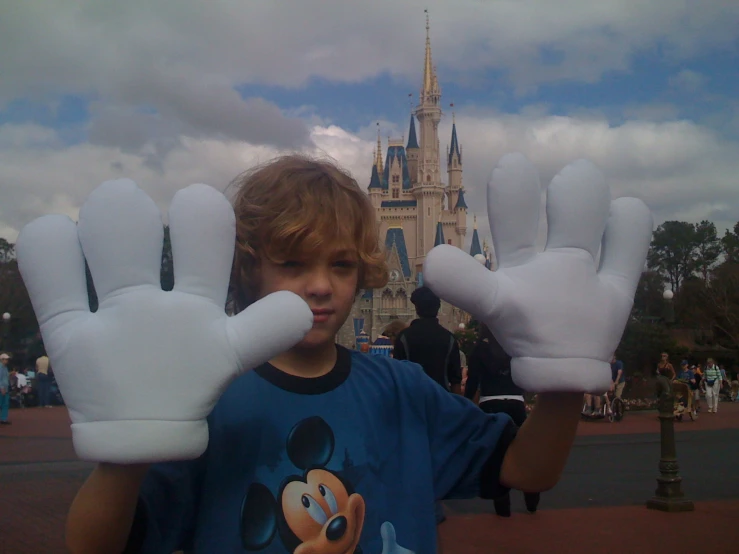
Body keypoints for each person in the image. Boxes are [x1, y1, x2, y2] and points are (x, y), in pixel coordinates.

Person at [15, 153, 651, 553]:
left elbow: (527, 471)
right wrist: (126, 446)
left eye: (342, 265)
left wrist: (567, 375)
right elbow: (95, 543)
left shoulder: (400, 391)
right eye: (292, 263)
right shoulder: (205, 401)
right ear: (246, 269)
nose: (321, 286)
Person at [465, 323, 540, 517]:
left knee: (496, 455)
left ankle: (502, 504)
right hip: (515, 401)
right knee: (524, 451)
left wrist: (466, 403)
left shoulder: (480, 349)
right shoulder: (514, 347)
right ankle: (531, 493)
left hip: (490, 403)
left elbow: (472, 380)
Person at [393, 286, 463, 394]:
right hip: (442, 401)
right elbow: (455, 380)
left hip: (413, 400)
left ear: (417, 308)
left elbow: (398, 376)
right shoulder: (449, 339)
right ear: (438, 308)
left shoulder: (404, 338)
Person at [0, 353, 10, 425]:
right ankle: (3, 418)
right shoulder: (1, 367)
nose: (7, 361)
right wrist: (2, 388)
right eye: (6, 359)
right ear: (2, 360)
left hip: (5, 388)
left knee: (5, 404)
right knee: (2, 403)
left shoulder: (5, 367)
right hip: (2, 388)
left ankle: (4, 419)